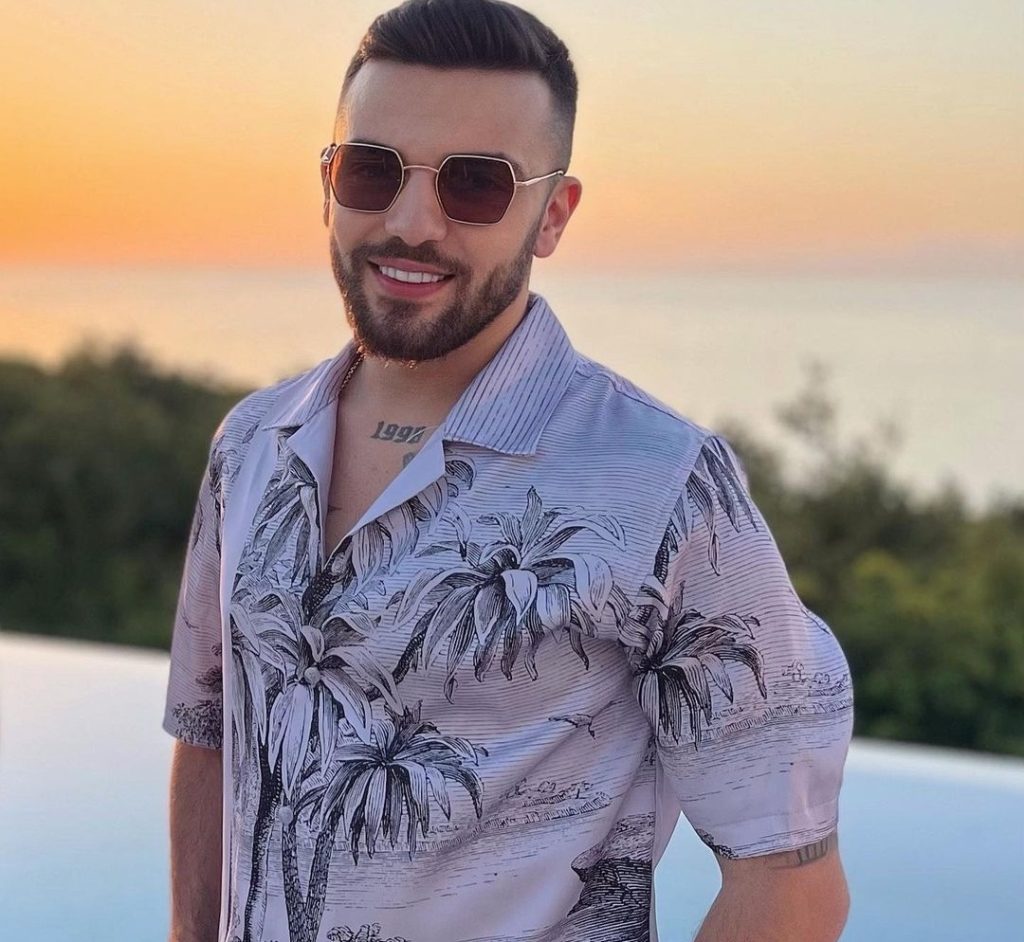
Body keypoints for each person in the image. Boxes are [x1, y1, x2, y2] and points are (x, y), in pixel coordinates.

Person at [164, 2, 855, 940]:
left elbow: (789, 879)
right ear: (328, 182)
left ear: (551, 215)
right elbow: (211, 738)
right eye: (372, 170)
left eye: (476, 185)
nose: (411, 223)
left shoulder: (661, 484)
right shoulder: (251, 444)